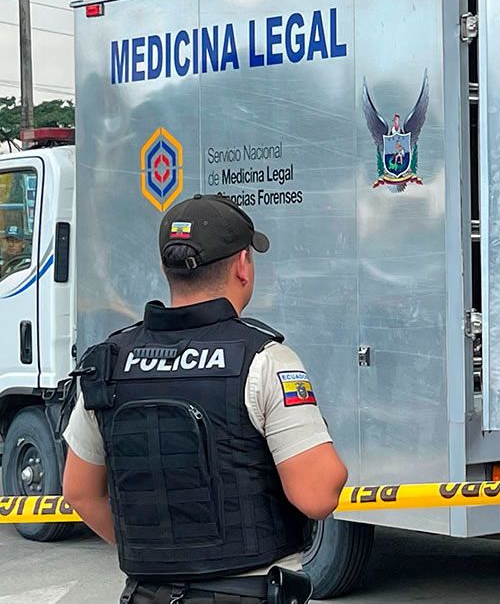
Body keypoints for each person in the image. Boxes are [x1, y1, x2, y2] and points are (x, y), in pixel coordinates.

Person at [62, 194, 348, 604]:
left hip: (147, 593)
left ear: (167, 269)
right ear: (243, 265)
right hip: (247, 591)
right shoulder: (263, 359)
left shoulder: (108, 362)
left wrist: (161, 556)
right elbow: (317, 495)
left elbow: (80, 491)